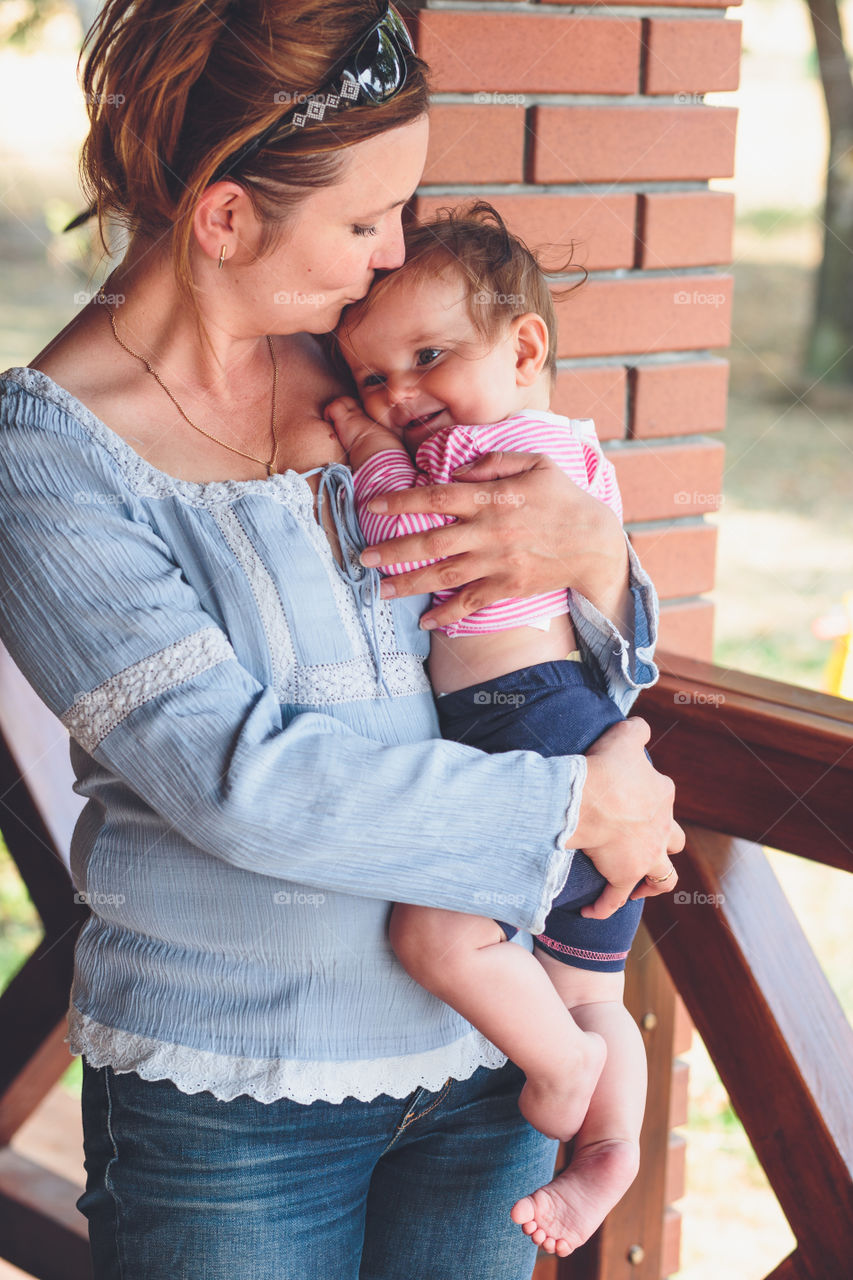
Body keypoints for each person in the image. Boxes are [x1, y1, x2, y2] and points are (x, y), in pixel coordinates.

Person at [0, 3, 683, 1277]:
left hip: (495, 1057)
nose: (389, 254)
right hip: (235, 1101)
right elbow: (236, 780)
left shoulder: (377, 363)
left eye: (402, 216)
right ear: (223, 217)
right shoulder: (48, 455)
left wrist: (591, 554)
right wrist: (570, 803)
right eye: (365, 220)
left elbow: (564, 602)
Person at [326, 203, 656, 1257]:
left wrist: (364, 444)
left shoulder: (501, 449)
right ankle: (610, 1145)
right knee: (588, 979)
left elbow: (408, 525)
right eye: (374, 377)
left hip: (525, 724)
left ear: (524, 348)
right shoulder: (564, 453)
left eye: (428, 356)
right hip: (559, 722)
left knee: (432, 933)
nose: (401, 395)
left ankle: (559, 1068)